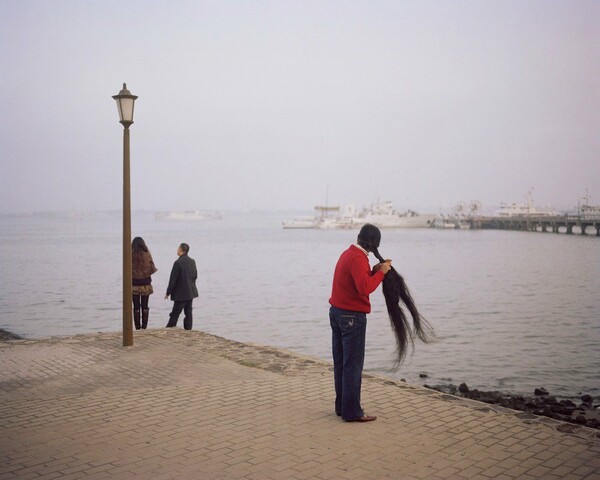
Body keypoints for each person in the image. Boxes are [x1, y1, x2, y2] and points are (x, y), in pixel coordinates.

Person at [329, 224, 391, 422]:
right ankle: (352, 412)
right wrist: (381, 274)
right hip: (351, 317)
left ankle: (342, 407)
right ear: (375, 244)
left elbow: (357, 281)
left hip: (337, 313)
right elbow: (364, 288)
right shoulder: (358, 258)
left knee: (341, 364)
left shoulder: (348, 253)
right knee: (352, 366)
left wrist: (374, 270)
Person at [165, 243, 198, 330]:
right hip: (190, 292)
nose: (177, 249)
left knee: (175, 314)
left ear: (181, 249)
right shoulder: (192, 261)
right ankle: (188, 330)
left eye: (178, 248)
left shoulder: (178, 263)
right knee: (188, 313)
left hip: (181, 293)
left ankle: (169, 329)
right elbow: (195, 276)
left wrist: (168, 292)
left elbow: (173, 279)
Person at [131, 237, 158, 330]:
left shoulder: (130, 255)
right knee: (145, 306)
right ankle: (144, 326)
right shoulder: (147, 254)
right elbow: (152, 268)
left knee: (136, 307)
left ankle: (137, 327)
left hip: (133, 285)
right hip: (146, 284)